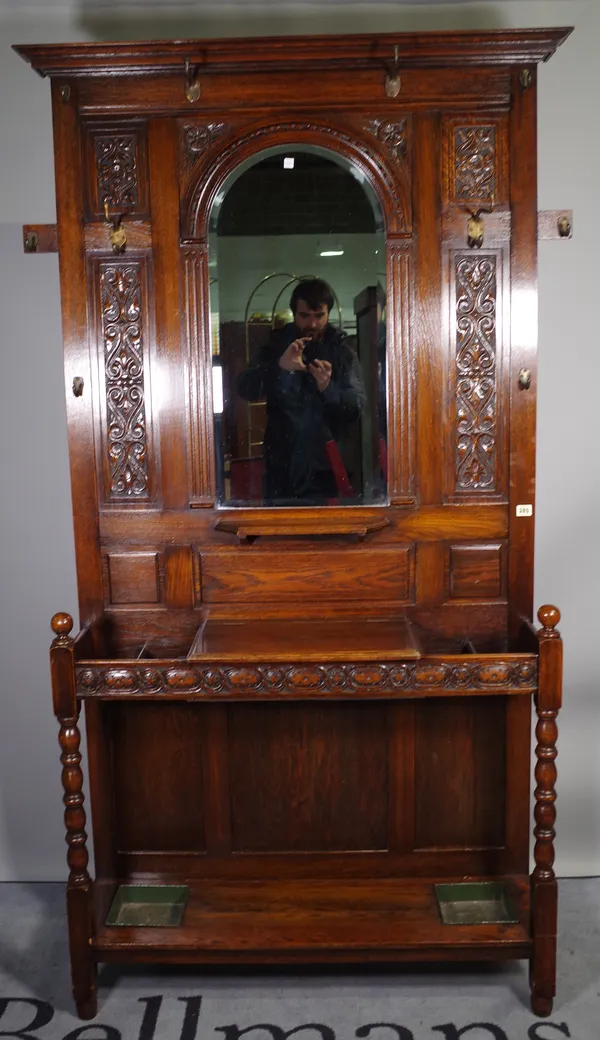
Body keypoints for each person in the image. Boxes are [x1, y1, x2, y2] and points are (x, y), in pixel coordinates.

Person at [238, 278, 365, 503]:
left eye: (319, 316)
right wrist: (279, 367)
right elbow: (244, 388)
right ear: (294, 314)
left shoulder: (343, 352)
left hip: (328, 469)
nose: (313, 324)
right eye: (305, 316)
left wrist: (328, 388)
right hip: (281, 469)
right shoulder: (275, 346)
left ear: (329, 314)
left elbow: (356, 407)